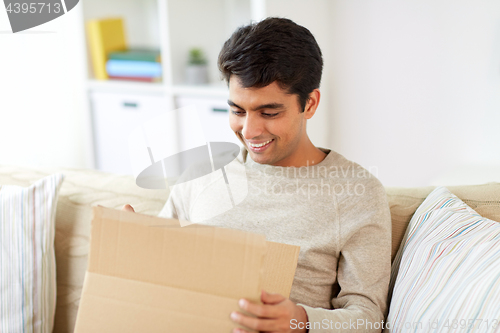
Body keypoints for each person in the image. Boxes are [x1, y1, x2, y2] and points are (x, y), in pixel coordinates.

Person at [124, 17, 391, 333]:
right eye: (237, 111)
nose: (249, 131)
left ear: (310, 104)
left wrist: (300, 321)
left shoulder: (356, 192)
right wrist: (129, 244)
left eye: (269, 113)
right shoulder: (202, 171)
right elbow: (156, 277)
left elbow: (368, 317)